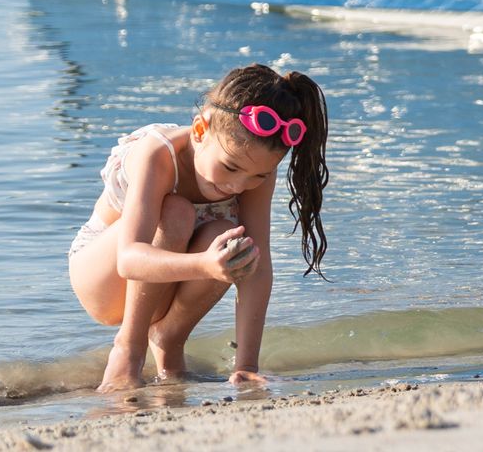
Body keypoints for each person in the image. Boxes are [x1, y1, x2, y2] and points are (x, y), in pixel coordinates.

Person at [67, 64, 329, 392]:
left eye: (257, 176)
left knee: (236, 241)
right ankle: (128, 350)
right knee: (175, 213)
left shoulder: (255, 166)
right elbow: (128, 258)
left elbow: (258, 269)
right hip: (104, 278)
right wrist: (205, 265)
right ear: (200, 130)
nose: (238, 185)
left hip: (165, 281)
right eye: (230, 167)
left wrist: (246, 365)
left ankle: (169, 340)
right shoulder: (159, 154)